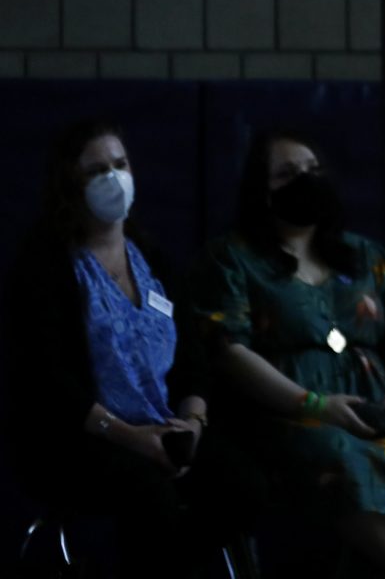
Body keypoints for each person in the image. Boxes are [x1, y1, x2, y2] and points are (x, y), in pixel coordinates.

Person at [193, 129, 385, 578]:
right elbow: (228, 350)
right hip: (289, 411)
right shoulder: (233, 258)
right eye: (288, 173)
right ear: (262, 191)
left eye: (312, 170)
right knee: (334, 449)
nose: (305, 179)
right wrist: (316, 405)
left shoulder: (364, 256)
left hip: (375, 402)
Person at [2, 119, 252, 577]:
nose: (113, 177)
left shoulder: (152, 258)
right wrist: (132, 438)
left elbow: (193, 359)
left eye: (120, 164)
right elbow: (49, 380)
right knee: (148, 492)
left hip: (161, 426)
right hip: (80, 439)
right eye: (96, 170)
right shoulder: (45, 263)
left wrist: (193, 424)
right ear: (69, 184)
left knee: (239, 480)